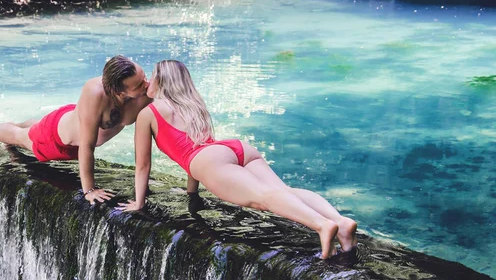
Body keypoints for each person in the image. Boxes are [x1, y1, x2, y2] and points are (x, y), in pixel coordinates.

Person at [116, 60, 357, 259]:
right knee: (283, 191)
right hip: (234, 148)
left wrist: (138, 203)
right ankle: (340, 222)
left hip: (208, 160)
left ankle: (322, 225)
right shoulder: (192, 102)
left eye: (152, 76)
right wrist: (192, 193)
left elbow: (143, 164)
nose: (147, 80)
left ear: (161, 81)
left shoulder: (148, 112)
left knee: (263, 198)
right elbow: (199, 146)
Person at [0, 55, 152, 204]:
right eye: (138, 85)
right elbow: (86, 146)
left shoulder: (144, 88)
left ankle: (19, 124)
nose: (146, 84)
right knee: (21, 137)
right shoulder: (96, 93)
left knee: (34, 127)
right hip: (56, 139)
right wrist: (89, 190)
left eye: (144, 76)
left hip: (72, 120)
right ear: (118, 91)